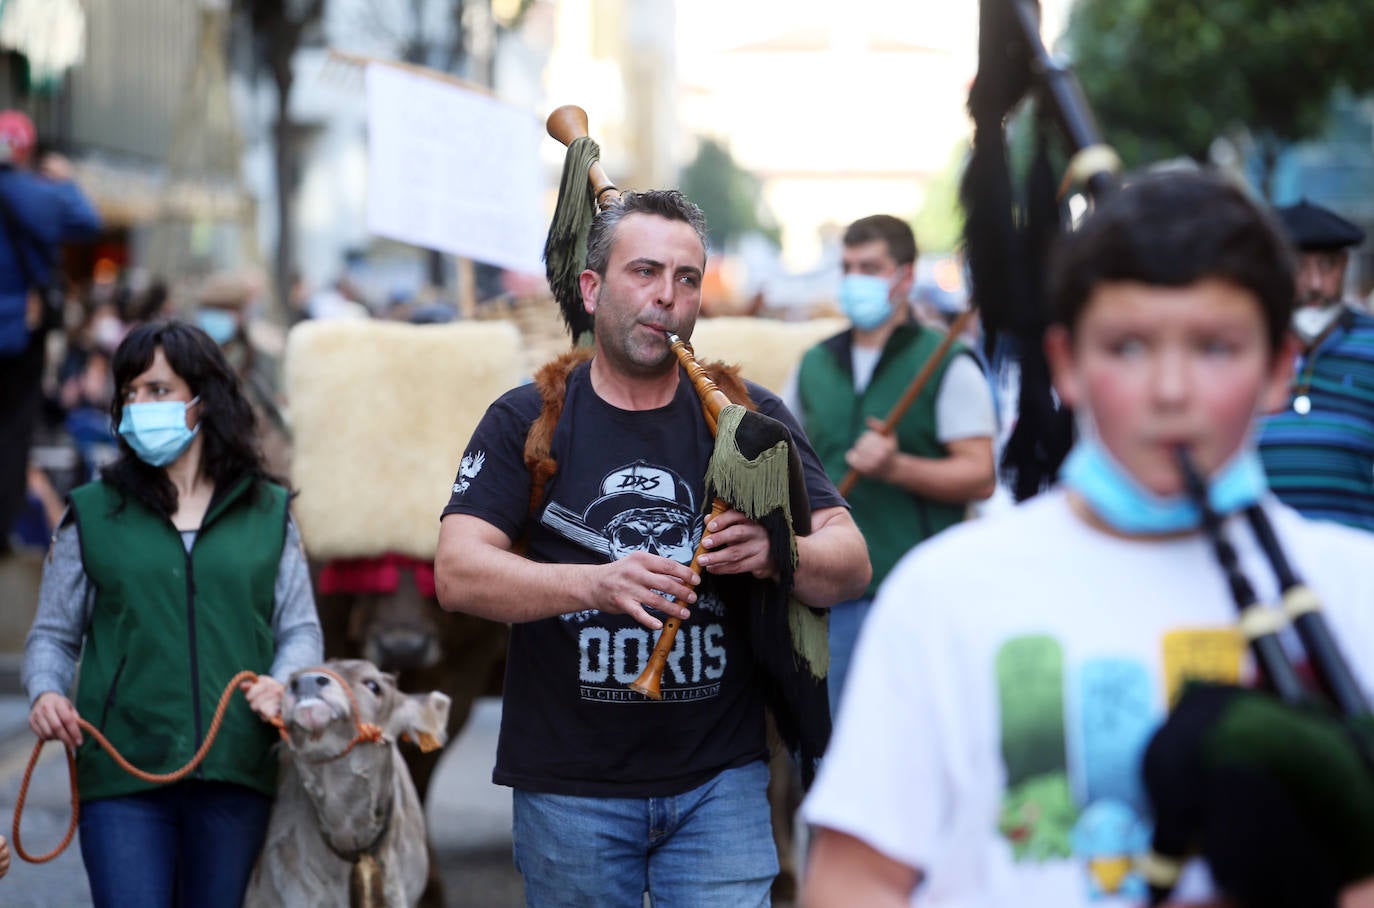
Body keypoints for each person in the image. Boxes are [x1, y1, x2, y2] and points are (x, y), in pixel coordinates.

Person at [800, 170, 1374, 906]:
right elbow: (854, 881)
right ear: (1066, 363)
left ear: (1278, 368)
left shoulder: (1353, 589)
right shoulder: (943, 597)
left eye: (1216, 348)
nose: (1171, 390)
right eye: (1129, 347)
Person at [435, 189, 870, 906]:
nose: (666, 297)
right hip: (568, 788)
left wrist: (775, 551)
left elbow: (851, 562)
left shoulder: (745, 417)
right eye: (643, 273)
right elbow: (457, 572)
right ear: (591, 287)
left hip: (719, 784)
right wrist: (595, 584)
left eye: (686, 278)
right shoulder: (529, 416)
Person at [22, 320, 323, 908]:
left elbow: (300, 628)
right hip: (121, 773)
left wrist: (283, 683)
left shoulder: (269, 512)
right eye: (130, 393)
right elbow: (53, 637)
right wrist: (44, 692)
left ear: (203, 400)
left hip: (239, 768)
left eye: (158, 390)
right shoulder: (91, 512)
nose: (140, 406)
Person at [784, 215, 996, 716]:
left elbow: (980, 475)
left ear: (904, 276)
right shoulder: (814, 363)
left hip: (912, 590)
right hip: (826, 589)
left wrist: (898, 466)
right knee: (825, 741)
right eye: (848, 267)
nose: (856, 279)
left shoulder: (947, 361)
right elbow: (782, 463)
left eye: (870, 267)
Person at [0, 108, 102, 553]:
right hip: (22, 331)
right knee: (14, 429)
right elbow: (88, 221)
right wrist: (65, 179)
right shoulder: (40, 194)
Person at [1256, 199, 1374, 532]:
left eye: (1328, 266)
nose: (1315, 285)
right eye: (1299, 267)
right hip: (1259, 565)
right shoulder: (1240, 350)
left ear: (1345, 267)